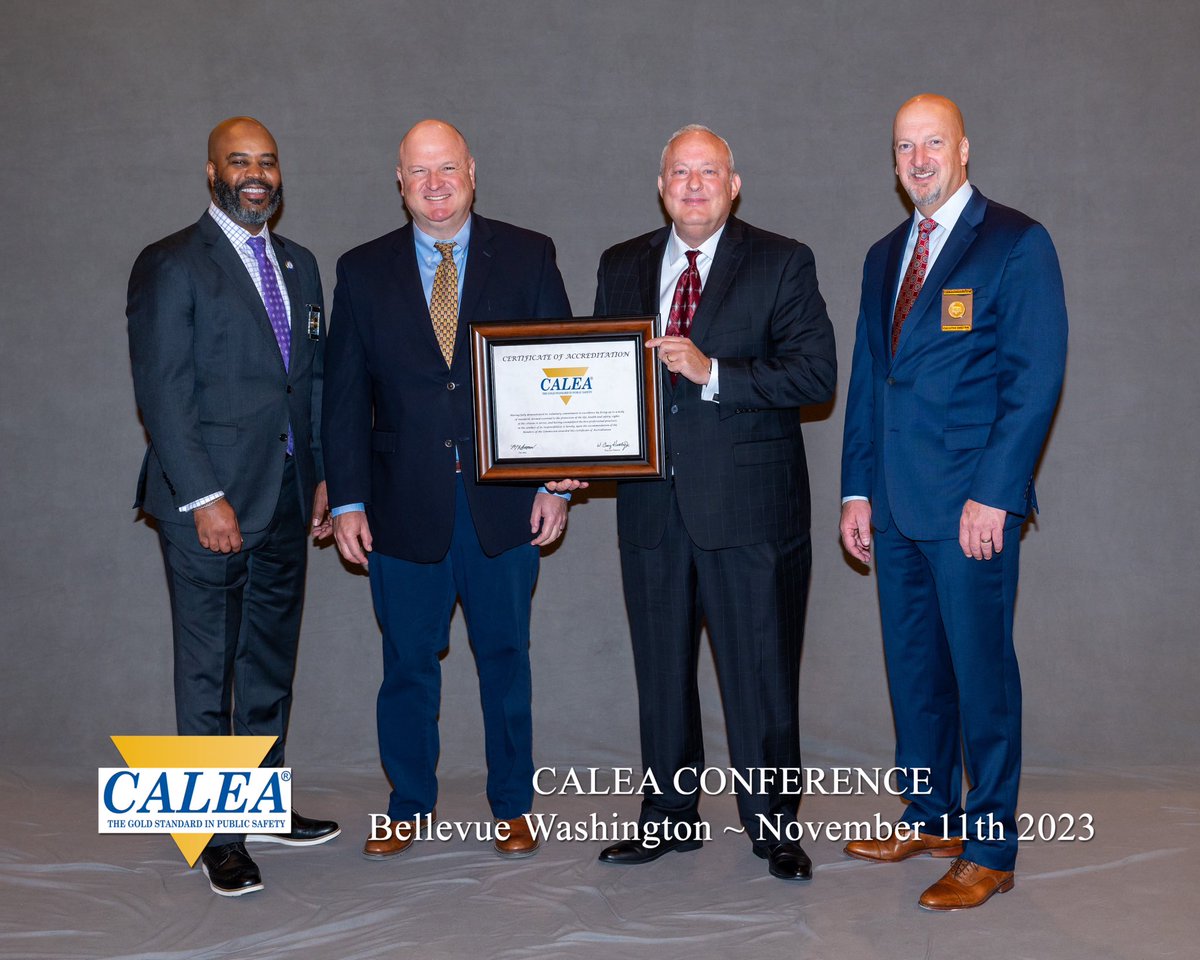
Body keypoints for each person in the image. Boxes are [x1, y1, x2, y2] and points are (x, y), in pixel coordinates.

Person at [590, 124, 837, 881]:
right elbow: (601, 382)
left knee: (761, 672)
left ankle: (774, 827)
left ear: (735, 185)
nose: (692, 185)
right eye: (678, 173)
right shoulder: (621, 263)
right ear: (660, 185)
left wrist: (712, 371)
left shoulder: (782, 260)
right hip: (651, 511)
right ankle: (667, 817)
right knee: (661, 673)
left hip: (751, 512)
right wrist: (571, 457)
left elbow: (815, 376)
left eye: (708, 173)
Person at [839, 94, 1068, 910]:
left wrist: (995, 496)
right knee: (915, 672)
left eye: (933, 142)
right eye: (905, 146)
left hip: (972, 510)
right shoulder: (881, 257)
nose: (919, 158)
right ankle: (929, 812)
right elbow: (874, 381)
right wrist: (856, 490)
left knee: (980, 676)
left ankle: (991, 847)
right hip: (895, 509)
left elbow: (1034, 381)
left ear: (964, 149)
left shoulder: (1014, 242)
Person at [321, 119, 573, 861]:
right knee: (405, 663)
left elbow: (561, 372)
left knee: (506, 658)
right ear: (399, 182)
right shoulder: (361, 271)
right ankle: (407, 803)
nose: (435, 185)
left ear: (472, 172)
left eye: (448, 170)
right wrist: (346, 502)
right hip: (401, 508)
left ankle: (514, 805)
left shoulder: (529, 255)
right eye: (419, 172)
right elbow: (342, 398)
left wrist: (557, 484)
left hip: (503, 506)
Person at [127, 117, 340, 898]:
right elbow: (163, 392)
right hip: (207, 505)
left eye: (268, 162)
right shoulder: (172, 264)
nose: (257, 174)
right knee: (209, 667)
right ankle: (217, 834)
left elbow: (308, 384)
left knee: (267, 664)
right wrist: (204, 497)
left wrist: (321, 478)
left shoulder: (300, 264)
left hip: (286, 497)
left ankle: (262, 802)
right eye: (239, 161)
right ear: (210, 171)